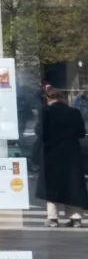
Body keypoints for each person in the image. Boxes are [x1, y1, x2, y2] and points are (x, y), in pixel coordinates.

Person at [37, 84, 88, 229]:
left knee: (51, 186)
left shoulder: (46, 112)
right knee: (73, 185)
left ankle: (53, 218)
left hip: (51, 154)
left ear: (47, 98)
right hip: (71, 154)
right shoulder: (74, 112)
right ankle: (75, 218)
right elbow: (81, 133)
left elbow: (40, 132)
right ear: (62, 98)